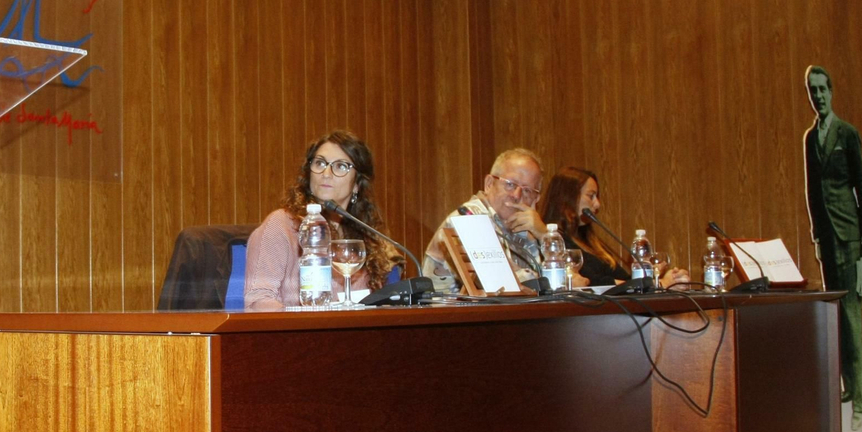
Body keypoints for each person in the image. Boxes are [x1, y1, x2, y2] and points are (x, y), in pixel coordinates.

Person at [244, 130, 402, 311]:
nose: (326, 173)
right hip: (294, 328)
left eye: (340, 166)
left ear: (357, 184)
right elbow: (257, 300)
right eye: (320, 163)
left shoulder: (366, 239)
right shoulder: (281, 225)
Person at [802, 65, 862, 429]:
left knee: (851, 316)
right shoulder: (810, 138)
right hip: (828, 240)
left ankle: (860, 401)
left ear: (831, 91)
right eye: (812, 91)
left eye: (822, 89)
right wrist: (817, 235)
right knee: (837, 317)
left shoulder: (848, 133)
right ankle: (846, 390)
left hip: (850, 237)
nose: (818, 96)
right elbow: (813, 192)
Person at [538, 167, 689, 289]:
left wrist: (653, 276)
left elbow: (625, 281)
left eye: (597, 197)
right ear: (567, 197)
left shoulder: (590, 241)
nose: (597, 204)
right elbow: (592, 282)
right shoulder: (555, 242)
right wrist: (660, 284)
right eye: (591, 196)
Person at [424, 148, 550, 291]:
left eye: (527, 190)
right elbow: (503, 285)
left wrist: (544, 234)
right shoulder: (467, 219)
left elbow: (564, 280)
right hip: (453, 305)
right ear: (489, 184)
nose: (516, 195)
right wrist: (544, 282)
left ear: (536, 199)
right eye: (510, 184)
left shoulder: (528, 227)